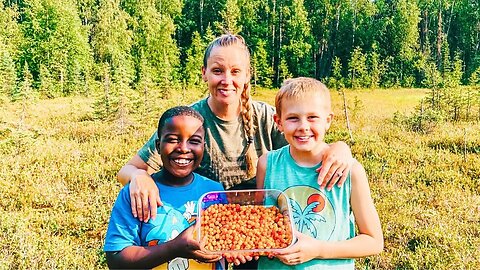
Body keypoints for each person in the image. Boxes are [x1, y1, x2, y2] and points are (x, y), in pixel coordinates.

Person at [117, 34, 354, 225]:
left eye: (235, 71)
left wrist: (341, 148)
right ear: (204, 73)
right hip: (205, 222)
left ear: (248, 75)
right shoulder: (189, 121)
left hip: (259, 223)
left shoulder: (266, 117)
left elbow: (310, 148)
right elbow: (127, 170)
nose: (226, 80)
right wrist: (138, 176)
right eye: (217, 71)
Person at [255, 77, 384, 269]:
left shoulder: (350, 171)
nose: (303, 126)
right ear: (278, 122)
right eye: (292, 118)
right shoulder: (267, 164)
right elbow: (260, 222)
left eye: (312, 117)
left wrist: (319, 250)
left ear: (328, 120)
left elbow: (374, 241)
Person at [104, 106, 225, 269]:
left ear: (204, 146)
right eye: (173, 139)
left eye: (194, 141)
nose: (183, 148)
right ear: (158, 144)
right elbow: (116, 260)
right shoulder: (136, 192)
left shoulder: (214, 192)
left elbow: (224, 249)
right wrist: (174, 248)